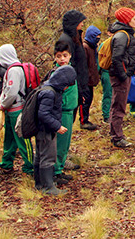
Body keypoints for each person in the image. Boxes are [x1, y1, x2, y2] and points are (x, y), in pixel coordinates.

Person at [35, 65, 77, 196]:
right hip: (46, 130)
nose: (66, 88)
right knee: (48, 157)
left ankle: (40, 184)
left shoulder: (47, 87)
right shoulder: (49, 93)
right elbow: (43, 114)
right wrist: (57, 126)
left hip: (42, 129)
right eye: (67, 85)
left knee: (40, 156)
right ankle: (48, 187)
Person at [0, 44, 34, 176]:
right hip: (12, 109)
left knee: (22, 139)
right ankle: (6, 164)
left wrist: (3, 105)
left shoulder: (14, 71)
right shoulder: (16, 68)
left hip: (16, 109)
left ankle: (30, 167)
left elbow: (11, 92)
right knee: (10, 138)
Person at [50, 41, 79, 186]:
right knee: (60, 143)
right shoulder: (57, 74)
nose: (62, 59)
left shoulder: (70, 70)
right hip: (61, 112)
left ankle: (60, 168)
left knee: (65, 143)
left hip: (70, 110)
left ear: (70, 56)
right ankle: (55, 172)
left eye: (65, 56)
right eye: (59, 56)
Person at [109, 7, 135, 148]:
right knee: (119, 106)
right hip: (120, 76)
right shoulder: (122, 36)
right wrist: (123, 75)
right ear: (127, 20)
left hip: (123, 74)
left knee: (119, 104)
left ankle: (117, 134)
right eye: (134, 18)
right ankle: (117, 137)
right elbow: (117, 58)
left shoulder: (125, 34)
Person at [58, 10, 88, 130]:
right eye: (80, 22)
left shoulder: (75, 37)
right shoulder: (66, 40)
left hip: (77, 83)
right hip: (72, 84)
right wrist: (79, 88)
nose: (82, 24)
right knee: (67, 118)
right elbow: (70, 66)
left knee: (72, 116)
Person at [81, 26, 101, 129]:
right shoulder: (85, 47)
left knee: (89, 100)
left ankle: (86, 119)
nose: (98, 39)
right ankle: (83, 121)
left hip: (91, 80)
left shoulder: (93, 47)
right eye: (96, 36)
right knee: (85, 101)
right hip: (85, 81)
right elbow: (83, 66)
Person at [98, 27, 114, 123]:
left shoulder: (119, 44)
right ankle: (106, 115)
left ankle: (113, 113)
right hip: (106, 72)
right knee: (108, 94)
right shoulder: (104, 45)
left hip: (115, 72)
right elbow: (99, 59)